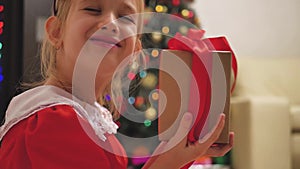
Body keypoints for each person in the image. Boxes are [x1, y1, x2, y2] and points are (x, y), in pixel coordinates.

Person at [0, 0, 234, 168]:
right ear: (56, 31)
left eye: (126, 18)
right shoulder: (56, 122)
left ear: (135, 49)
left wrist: (179, 156)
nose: (110, 23)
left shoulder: (87, 119)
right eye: (93, 8)